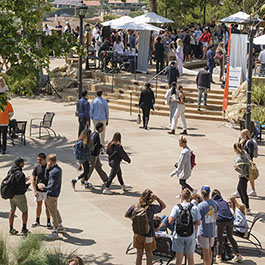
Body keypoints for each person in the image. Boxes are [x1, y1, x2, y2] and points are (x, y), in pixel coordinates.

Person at [125, 189, 166, 265]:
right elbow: (163, 206)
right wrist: (157, 198)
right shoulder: (151, 208)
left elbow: (127, 214)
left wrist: (136, 221)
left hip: (137, 234)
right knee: (149, 256)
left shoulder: (135, 206)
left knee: (139, 255)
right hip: (148, 235)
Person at [168, 188, 201, 265]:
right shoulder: (194, 208)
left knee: (179, 257)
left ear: (182, 196)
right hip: (190, 235)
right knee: (190, 257)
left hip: (178, 235)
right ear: (190, 197)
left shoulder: (176, 207)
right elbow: (198, 222)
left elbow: (170, 221)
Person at [212, 189, 243, 263]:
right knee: (230, 237)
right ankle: (238, 254)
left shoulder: (214, 203)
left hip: (221, 221)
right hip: (230, 220)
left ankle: (219, 256)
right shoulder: (224, 202)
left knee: (219, 238)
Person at [38, 154, 63, 240]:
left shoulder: (53, 172)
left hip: (51, 194)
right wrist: (47, 169)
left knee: (52, 213)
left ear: (50, 161)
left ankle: (55, 230)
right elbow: (46, 177)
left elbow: (51, 185)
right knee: (55, 209)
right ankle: (59, 224)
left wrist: (43, 187)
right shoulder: (58, 169)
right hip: (56, 193)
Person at [8, 157, 30, 235]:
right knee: (25, 211)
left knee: (12, 211)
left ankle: (11, 228)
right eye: (23, 162)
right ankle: (24, 229)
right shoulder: (20, 174)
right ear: (20, 164)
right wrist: (27, 185)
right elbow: (22, 187)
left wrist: (23, 180)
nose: (24, 164)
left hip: (11, 195)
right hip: (19, 195)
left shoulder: (10, 171)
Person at [197, 186, 219, 265]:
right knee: (209, 250)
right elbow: (216, 214)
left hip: (204, 231)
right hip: (212, 230)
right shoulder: (214, 203)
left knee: (205, 252)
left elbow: (197, 220)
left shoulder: (200, 206)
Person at [31, 153, 51, 228]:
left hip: (46, 190)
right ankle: (37, 220)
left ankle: (48, 221)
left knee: (47, 206)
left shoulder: (48, 167)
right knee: (39, 205)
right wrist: (35, 191)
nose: (39, 161)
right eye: (38, 159)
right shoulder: (36, 167)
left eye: (40, 160)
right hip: (39, 190)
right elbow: (33, 180)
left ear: (44, 159)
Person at [233, 142, 251, 213]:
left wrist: (236, 168)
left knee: (243, 192)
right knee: (239, 190)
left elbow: (241, 169)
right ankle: (245, 205)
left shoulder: (240, 157)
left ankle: (247, 207)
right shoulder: (245, 153)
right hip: (247, 175)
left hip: (243, 176)